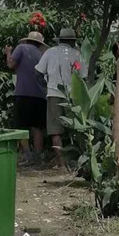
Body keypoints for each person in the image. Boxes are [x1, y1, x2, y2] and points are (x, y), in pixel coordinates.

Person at [35, 28, 84, 168]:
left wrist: (46, 86)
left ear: (60, 40)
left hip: (53, 94)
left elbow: (37, 72)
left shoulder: (50, 52)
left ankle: (61, 164)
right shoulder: (76, 54)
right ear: (72, 41)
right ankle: (78, 162)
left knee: (55, 130)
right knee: (75, 129)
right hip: (72, 96)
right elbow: (82, 75)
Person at [5, 30, 47, 165]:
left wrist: (8, 53)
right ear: (39, 44)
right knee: (37, 127)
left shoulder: (21, 48)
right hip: (40, 95)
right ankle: (38, 157)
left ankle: (28, 155)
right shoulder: (42, 54)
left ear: (27, 40)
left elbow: (11, 64)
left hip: (23, 93)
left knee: (21, 126)